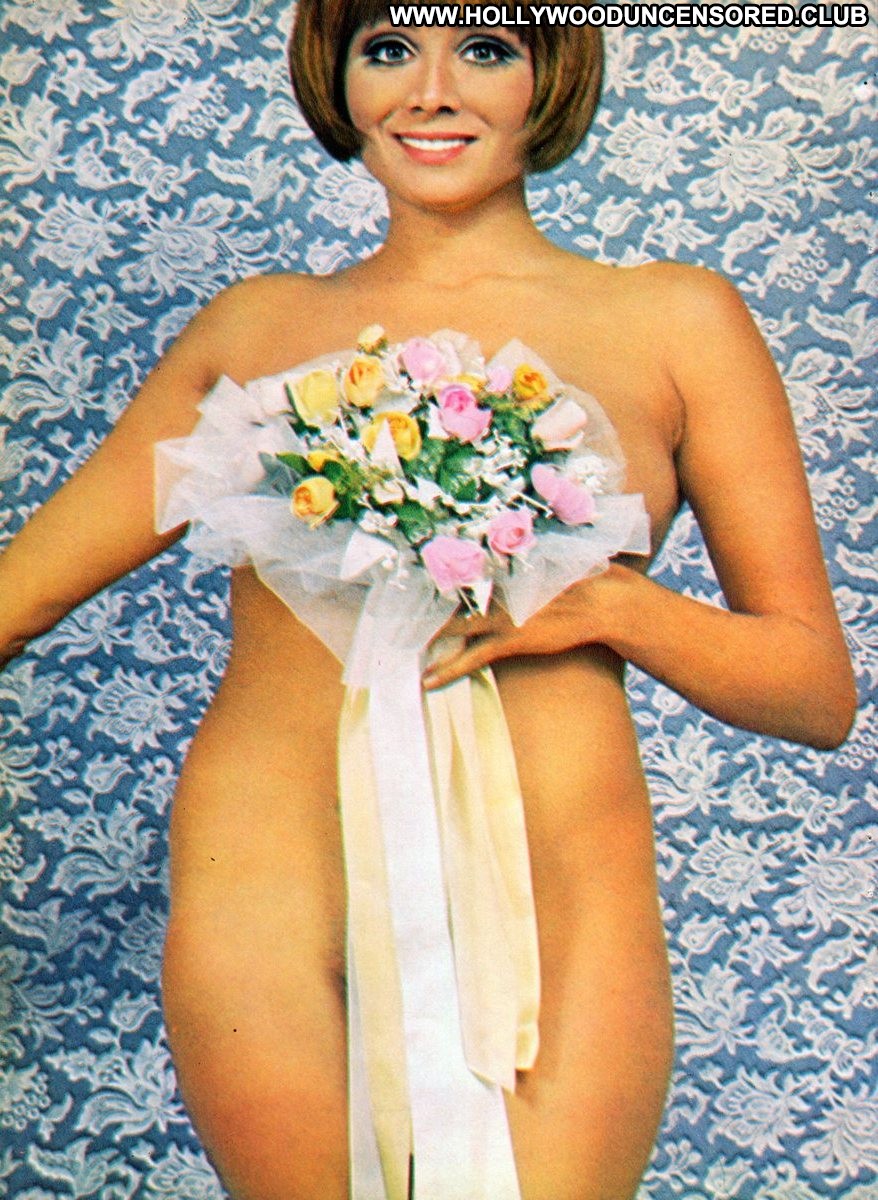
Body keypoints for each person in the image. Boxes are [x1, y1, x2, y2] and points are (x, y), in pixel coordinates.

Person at [0, 2, 857, 1198]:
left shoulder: (673, 319)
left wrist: (611, 607)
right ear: (340, 78)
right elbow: (16, 600)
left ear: (547, 75)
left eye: (485, 51)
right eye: (389, 49)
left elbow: (814, 693)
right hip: (269, 889)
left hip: (555, 888)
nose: (431, 91)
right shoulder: (255, 326)